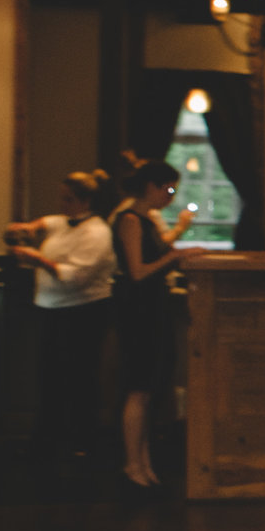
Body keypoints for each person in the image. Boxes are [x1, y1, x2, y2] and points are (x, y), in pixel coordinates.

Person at [7, 168, 118, 459]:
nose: (61, 204)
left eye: (68, 199)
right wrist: (26, 228)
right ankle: (46, 440)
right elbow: (47, 222)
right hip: (52, 309)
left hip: (84, 312)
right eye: (61, 197)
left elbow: (76, 277)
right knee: (49, 375)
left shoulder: (97, 233)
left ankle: (84, 441)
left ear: (85, 201)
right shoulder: (61, 223)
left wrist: (37, 260)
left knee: (80, 376)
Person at [110, 156, 189, 490]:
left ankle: (144, 463)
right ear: (151, 187)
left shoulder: (146, 220)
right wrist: (174, 256)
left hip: (152, 308)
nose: (170, 196)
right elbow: (138, 271)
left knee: (149, 388)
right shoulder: (130, 220)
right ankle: (132, 464)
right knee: (138, 387)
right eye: (168, 188)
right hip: (137, 310)